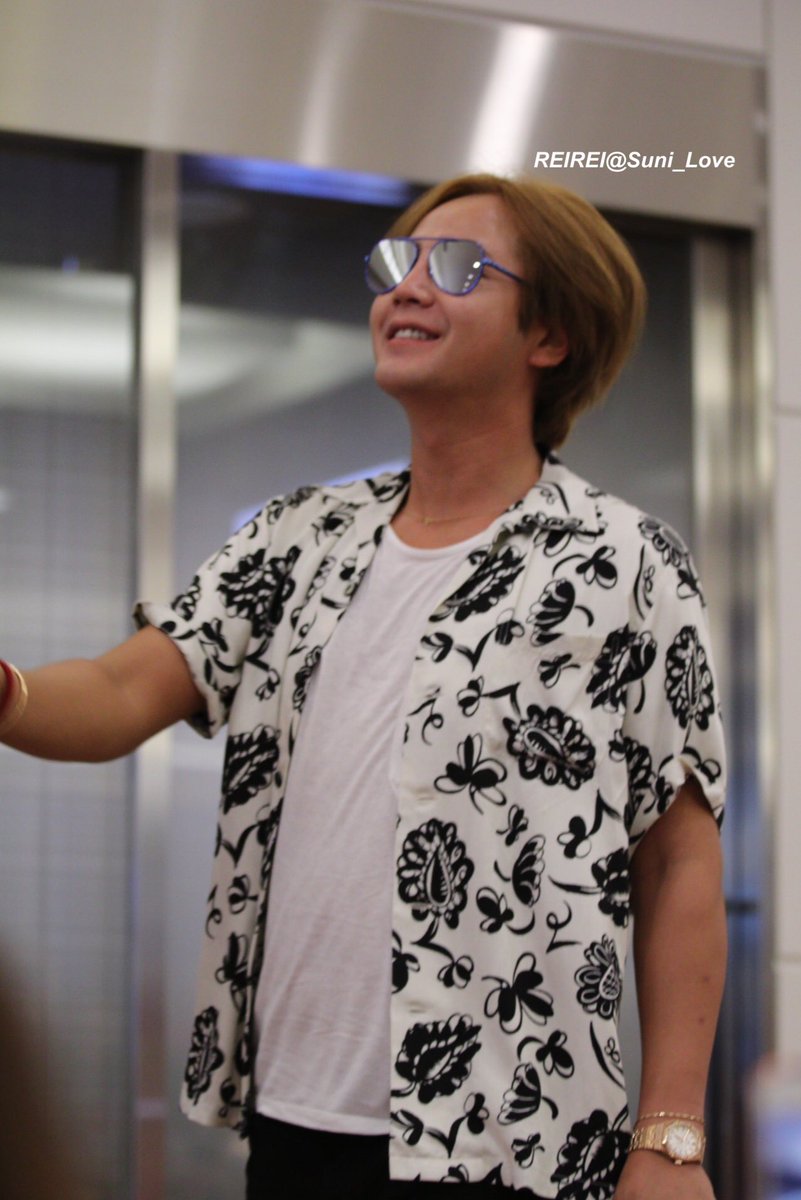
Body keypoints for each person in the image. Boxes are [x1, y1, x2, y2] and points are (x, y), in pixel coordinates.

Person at [0, 173, 726, 1200]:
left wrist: (670, 1134)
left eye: (457, 267)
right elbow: (121, 691)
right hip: (295, 1128)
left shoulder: (624, 563)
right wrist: (7, 692)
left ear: (550, 335)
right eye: (396, 263)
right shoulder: (298, 536)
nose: (407, 288)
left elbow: (678, 859)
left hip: (517, 1139)